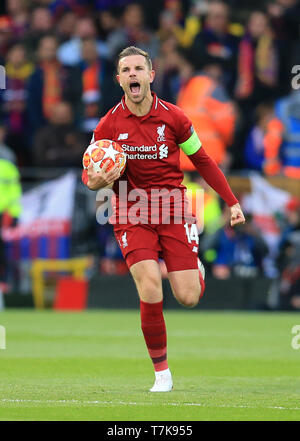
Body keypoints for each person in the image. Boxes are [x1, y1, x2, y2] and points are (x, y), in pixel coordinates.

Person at [82, 46, 245, 392]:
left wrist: (231, 201)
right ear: (119, 80)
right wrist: (95, 180)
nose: (132, 75)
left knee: (187, 296)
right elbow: (90, 172)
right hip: (131, 210)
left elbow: (203, 160)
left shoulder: (175, 118)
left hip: (173, 209)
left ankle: (195, 272)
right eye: (125, 70)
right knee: (150, 283)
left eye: (138, 68)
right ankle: (162, 373)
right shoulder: (108, 124)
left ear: (151, 75)